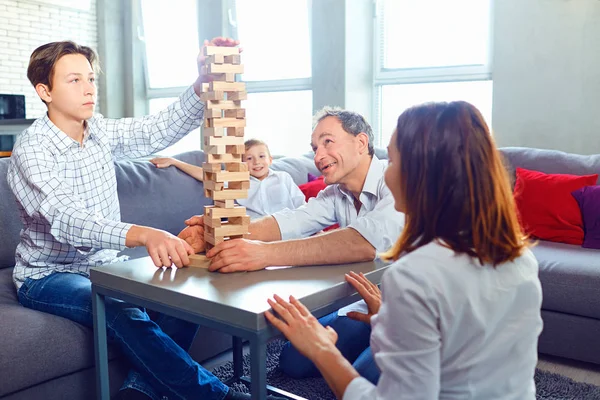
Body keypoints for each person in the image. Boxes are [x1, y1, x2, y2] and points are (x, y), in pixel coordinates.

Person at [7, 40, 285, 400]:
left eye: (90, 78)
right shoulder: (31, 150)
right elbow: (67, 217)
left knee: (188, 293)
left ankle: (139, 392)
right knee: (119, 307)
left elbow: (155, 131)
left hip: (106, 264)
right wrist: (142, 234)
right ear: (44, 91)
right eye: (74, 80)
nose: (89, 88)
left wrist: (202, 85)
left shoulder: (98, 131)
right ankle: (219, 396)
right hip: (47, 276)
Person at [264, 101, 544, 400]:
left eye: (393, 161)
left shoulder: (415, 274)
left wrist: (322, 350)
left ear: (423, 174)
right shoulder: (521, 258)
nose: (386, 173)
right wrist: (389, 323)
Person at [178, 107, 405, 381]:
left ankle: (376, 346)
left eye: (327, 142)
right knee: (293, 362)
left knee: (366, 378)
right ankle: (364, 340)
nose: (318, 156)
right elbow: (290, 221)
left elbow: (362, 241)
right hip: (357, 305)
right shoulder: (335, 193)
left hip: (401, 311)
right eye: (314, 147)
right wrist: (220, 230)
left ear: (360, 143)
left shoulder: (396, 183)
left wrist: (263, 255)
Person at [150, 138, 306, 219]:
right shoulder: (237, 181)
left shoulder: (283, 178)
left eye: (261, 156)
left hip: (286, 229)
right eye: (249, 158)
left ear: (270, 159)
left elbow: (302, 206)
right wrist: (175, 162)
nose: (257, 162)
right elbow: (208, 176)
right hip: (256, 233)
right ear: (241, 163)